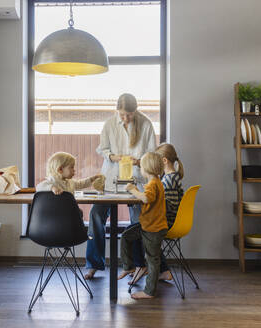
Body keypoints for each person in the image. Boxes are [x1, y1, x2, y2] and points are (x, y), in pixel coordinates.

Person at [85, 93, 157, 279]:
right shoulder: (110, 124)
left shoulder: (146, 124)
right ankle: (94, 263)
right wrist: (114, 157)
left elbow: (151, 156)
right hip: (111, 179)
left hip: (136, 182)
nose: (125, 118)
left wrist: (138, 161)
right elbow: (102, 148)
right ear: (117, 110)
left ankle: (138, 265)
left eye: (129, 114)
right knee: (96, 215)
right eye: (122, 114)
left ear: (136, 110)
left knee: (138, 223)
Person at [118, 152, 167, 299]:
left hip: (153, 228)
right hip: (147, 225)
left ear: (147, 169)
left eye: (141, 167)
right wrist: (138, 191)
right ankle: (129, 266)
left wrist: (133, 189)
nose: (140, 169)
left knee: (152, 260)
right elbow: (147, 197)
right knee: (126, 236)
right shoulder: (155, 182)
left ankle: (149, 291)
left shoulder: (153, 183)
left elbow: (146, 198)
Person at [155, 143, 185, 281]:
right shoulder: (172, 177)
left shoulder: (170, 179)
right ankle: (160, 269)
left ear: (164, 161)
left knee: (144, 232)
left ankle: (145, 268)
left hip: (169, 223)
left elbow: (169, 206)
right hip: (170, 221)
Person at [36, 152, 103, 195]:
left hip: (68, 211)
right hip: (55, 212)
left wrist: (92, 179)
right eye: (71, 167)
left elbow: (81, 184)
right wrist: (52, 188)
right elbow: (39, 186)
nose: (74, 170)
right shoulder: (52, 181)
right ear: (60, 169)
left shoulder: (70, 182)